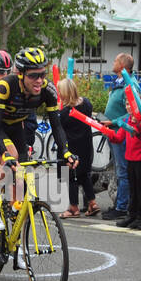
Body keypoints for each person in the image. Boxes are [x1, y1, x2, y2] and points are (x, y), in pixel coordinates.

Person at [101, 53, 141, 219]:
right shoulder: (119, 82)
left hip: (122, 131)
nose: (113, 63)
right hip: (114, 131)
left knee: (122, 169)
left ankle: (122, 206)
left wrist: (114, 122)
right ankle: (119, 203)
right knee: (119, 169)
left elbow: (133, 109)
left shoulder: (130, 84)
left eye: (115, 60)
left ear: (123, 66)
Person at [56, 77, 98, 218]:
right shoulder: (86, 103)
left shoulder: (64, 113)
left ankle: (73, 207)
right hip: (86, 145)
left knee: (71, 177)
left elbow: (58, 129)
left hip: (71, 148)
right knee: (84, 174)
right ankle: (92, 203)